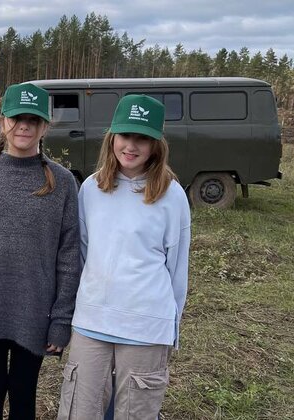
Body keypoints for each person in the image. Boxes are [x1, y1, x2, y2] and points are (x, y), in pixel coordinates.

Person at [0, 82, 81, 420]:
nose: (24, 126)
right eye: (17, 118)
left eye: (33, 120)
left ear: (45, 127)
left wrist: (61, 320)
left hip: (34, 310)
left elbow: (68, 256)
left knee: (24, 396)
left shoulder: (62, 182)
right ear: (2, 122)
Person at [56, 95, 191, 420]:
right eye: (125, 135)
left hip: (146, 327)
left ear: (156, 144)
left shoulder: (172, 196)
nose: (131, 146)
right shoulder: (91, 188)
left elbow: (177, 269)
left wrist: (170, 328)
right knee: (79, 411)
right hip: (92, 323)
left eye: (142, 138)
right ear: (112, 137)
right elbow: (85, 253)